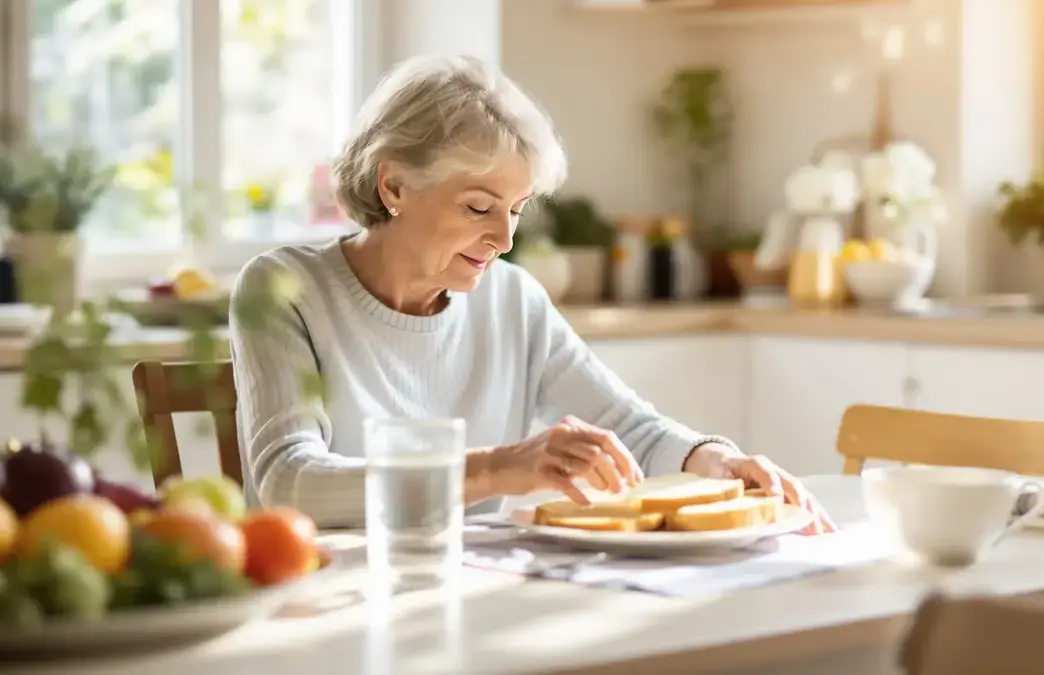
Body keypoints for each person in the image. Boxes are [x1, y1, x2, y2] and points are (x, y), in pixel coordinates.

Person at [229, 54, 834, 532]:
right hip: (330, 605)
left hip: (472, 599)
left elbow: (631, 429)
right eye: (478, 207)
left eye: (516, 210)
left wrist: (715, 460)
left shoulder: (511, 300)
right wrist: (496, 469)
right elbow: (291, 481)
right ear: (394, 185)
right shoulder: (285, 289)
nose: (503, 237)